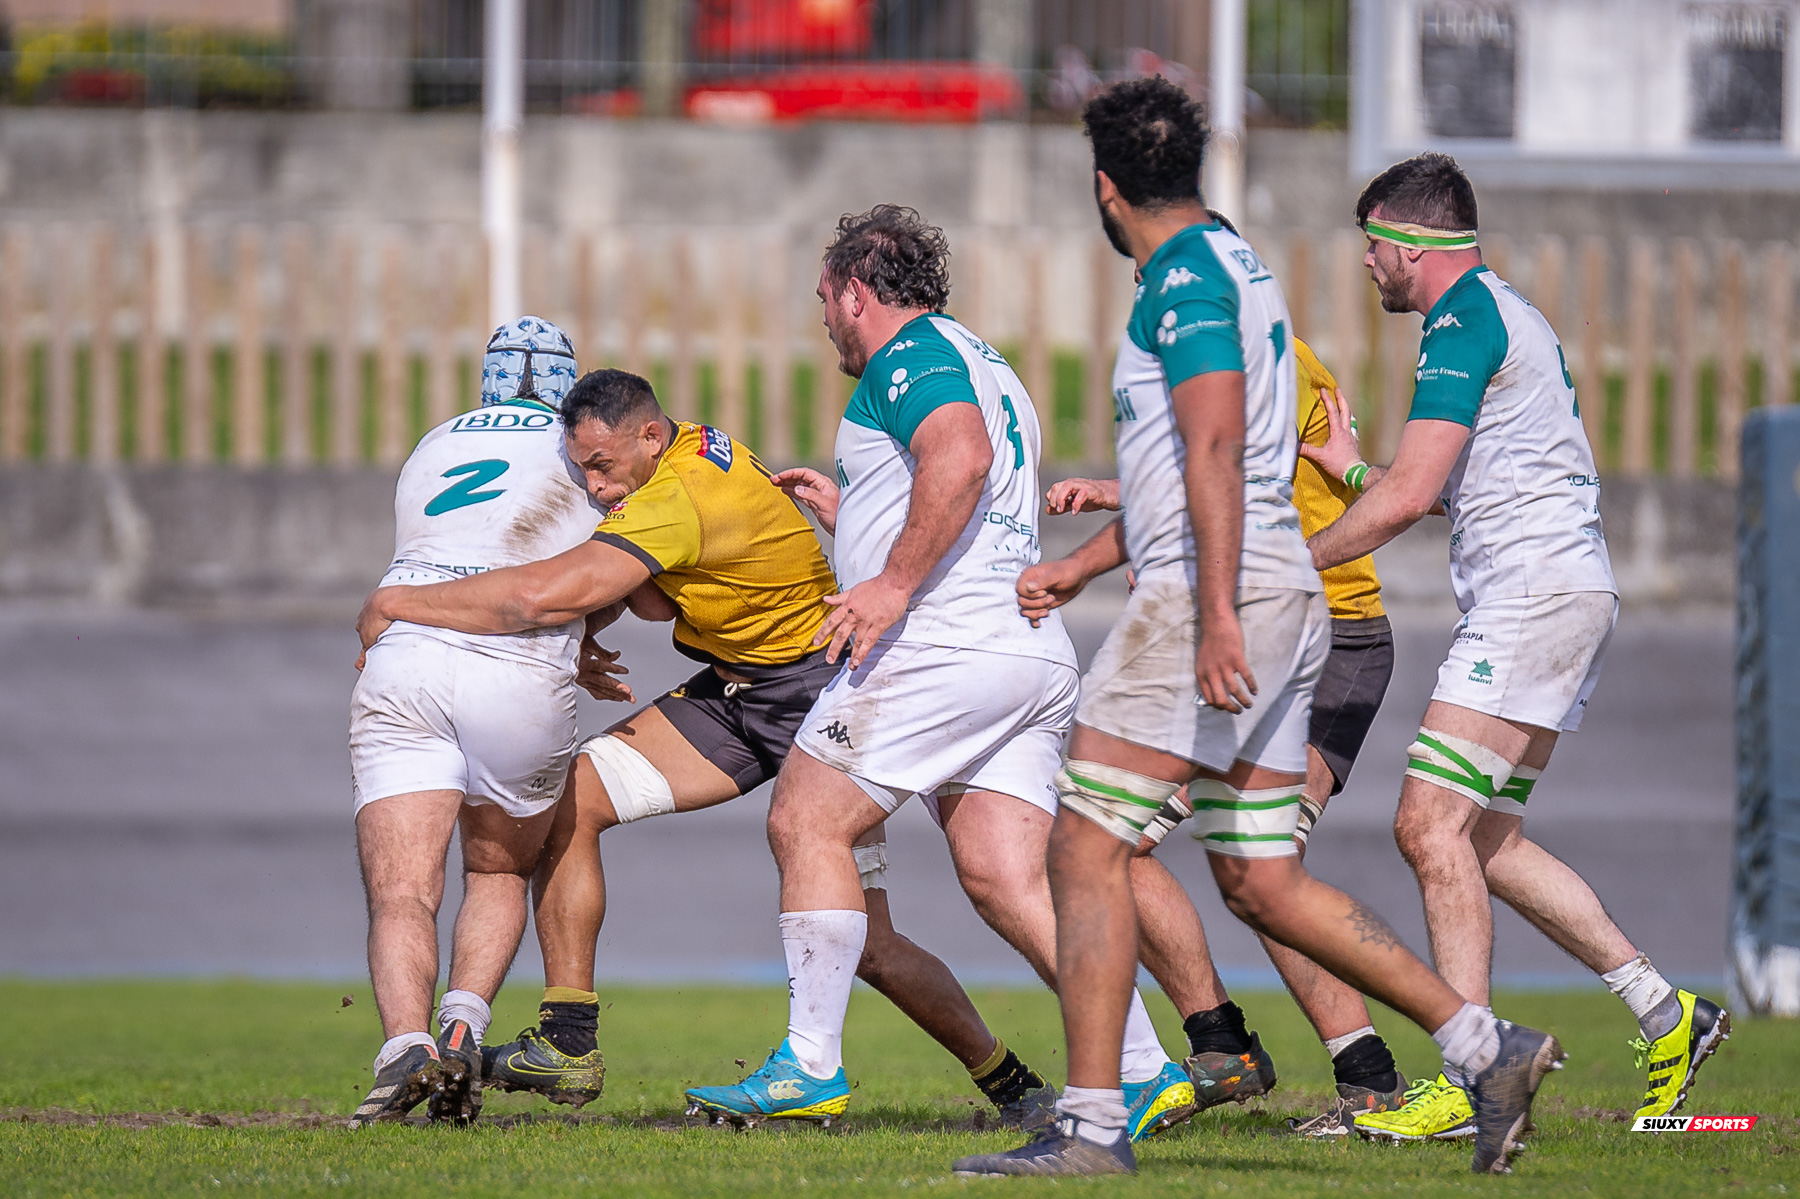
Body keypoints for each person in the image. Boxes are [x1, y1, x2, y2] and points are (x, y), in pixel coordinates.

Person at [952, 78, 1561, 1180]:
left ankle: (1092, 1126)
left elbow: (1216, 449)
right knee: (1261, 875)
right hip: (1284, 586)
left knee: (1085, 840)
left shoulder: (1181, 279)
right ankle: (1486, 1044)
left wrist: (1217, 611)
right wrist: (1095, 563)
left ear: (1103, 188)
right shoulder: (1238, 259)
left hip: (1212, 585)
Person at [356, 366, 1062, 1128]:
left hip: (815, 693)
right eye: (583, 468)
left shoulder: (677, 494)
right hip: (738, 690)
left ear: (650, 435)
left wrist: (397, 603)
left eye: (602, 466)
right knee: (572, 799)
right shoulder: (684, 457)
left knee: (871, 944)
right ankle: (568, 1039)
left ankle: (1016, 1083)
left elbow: (541, 595)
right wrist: (584, 638)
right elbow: (657, 598)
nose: (594, 487)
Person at [683, 204, 1199, 1141]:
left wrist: (889, 579)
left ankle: (808, 1062)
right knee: (1009, 878)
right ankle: (1142, 1066)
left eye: (825, 303)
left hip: (942, 645)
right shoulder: (981, 358)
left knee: (806, 816)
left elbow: (958, 461)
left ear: (854, 290)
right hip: (1020, 650)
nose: (826, 324)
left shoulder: (909, 356)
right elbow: (968, 486)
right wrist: (861, 519)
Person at [1301, 152, 1730, 1141]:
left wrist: (1294, 562)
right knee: (1483, 839)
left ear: (1412, 244)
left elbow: (1409, 501)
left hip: (1531, 598)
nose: (1367, 265)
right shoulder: (1502, 313)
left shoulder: (1461, 321)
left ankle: (1473, 1073)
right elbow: (1449, 480)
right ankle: (1666, 1012)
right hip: (1558, 591)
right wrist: (1350, 464)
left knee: (1427, 825)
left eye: (1373, 244)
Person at [1029, 335, 1407, 1138]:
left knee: (1261, 871)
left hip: (1326, 636)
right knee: (1119, 840)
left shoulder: (1268, 360)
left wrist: (1127, 556)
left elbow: (1228, 480)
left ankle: (1381, 1076)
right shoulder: (1240, 360)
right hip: (1275, 633)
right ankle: (1224, 1045)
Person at [348, 317, 598, 1127]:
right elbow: (602, 570)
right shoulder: (582, 449)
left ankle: (404, 1047)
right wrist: (581, 641)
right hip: (519, 671)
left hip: (406, 657)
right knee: (495, 872)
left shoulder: (432, 444)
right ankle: (463, 1025)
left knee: (400, 892)